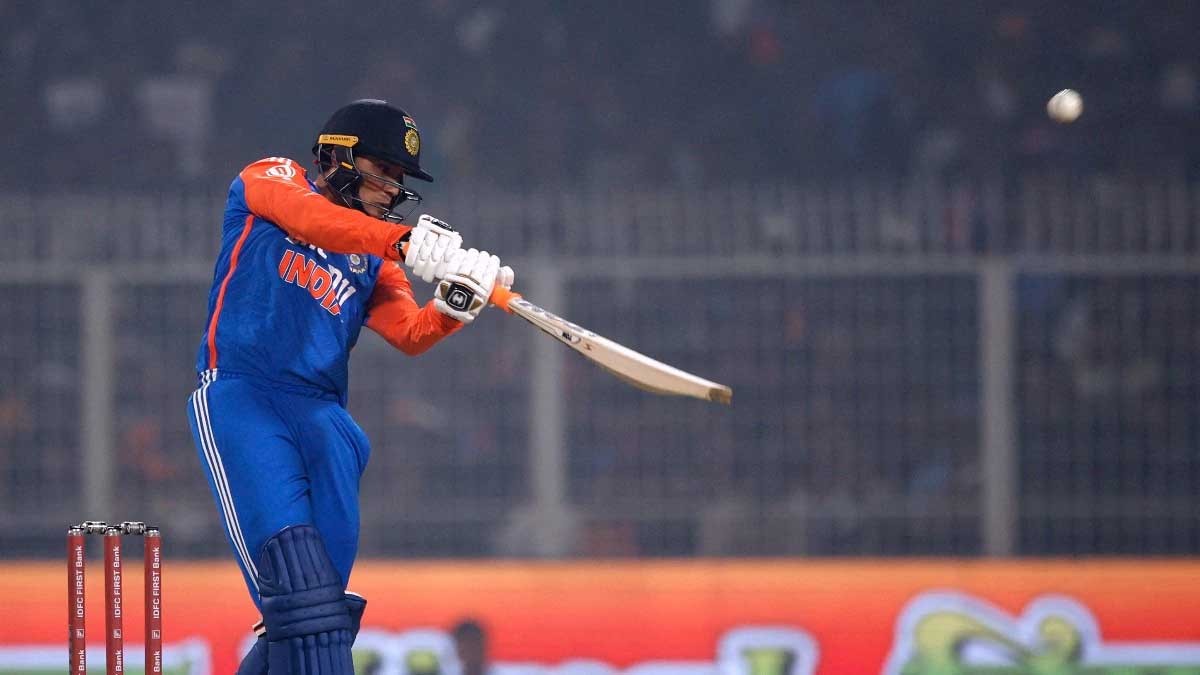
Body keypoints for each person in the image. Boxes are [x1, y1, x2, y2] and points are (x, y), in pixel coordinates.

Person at [186, 98, 512, 674]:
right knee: (299, 586)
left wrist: (453, 305)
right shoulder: (269, 180)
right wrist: (402, 241)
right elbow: (313, 221)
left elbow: (409, 332)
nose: (392, 189)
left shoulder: (374, 260)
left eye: (399, 178)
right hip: (245, 399)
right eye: (382, 170)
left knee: (318, 615)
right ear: (338, 157)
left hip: (325, 423)